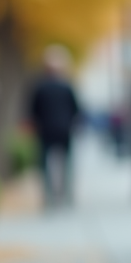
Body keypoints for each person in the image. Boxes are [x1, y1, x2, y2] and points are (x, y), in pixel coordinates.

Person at [28, 45, 81, 207]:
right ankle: (67, 194)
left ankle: (49, 196)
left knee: (44, 164)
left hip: (45, 129)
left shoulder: (40, 87)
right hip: (65, 129)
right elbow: (76, 108)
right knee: (67, 163)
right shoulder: (67, 86)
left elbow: (33, 110)